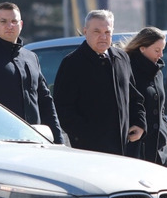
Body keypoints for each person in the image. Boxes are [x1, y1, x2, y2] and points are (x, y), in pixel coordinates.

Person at [0, 2, 65, 144]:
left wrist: (58, 140)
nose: (9, 26)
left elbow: (45, 101)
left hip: (36, 141)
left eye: (14, 21)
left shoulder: (31, 57)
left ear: (21, 24)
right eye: (3, 21)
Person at [52, 9, 145, 155]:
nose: (103, 37)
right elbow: (63, 108)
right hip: (90, 151)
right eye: (96, 31)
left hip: (124, 148)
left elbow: (134, 96)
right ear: (85, 31)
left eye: (107, 32)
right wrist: (86, 136)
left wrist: (139, 123)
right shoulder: (72, 63)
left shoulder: (122, 58)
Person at [123, 27, 167, 167]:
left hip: (160, 151)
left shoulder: (158, 73)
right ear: (142, 48)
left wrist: (164, 130)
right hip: (136, 150)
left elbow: (161, 108)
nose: (161, 54)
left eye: (163, 49)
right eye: (157, 50)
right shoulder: (127, 70)